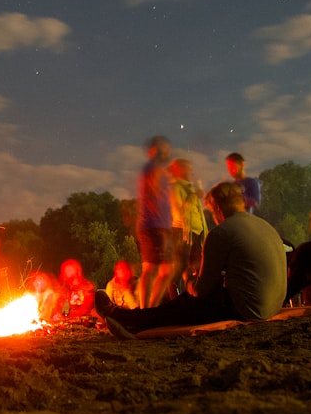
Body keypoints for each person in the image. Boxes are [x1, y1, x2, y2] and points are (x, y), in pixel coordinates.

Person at [95, 182, 287, 337]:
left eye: (211, 211)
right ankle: (134, 321)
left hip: (247, 309)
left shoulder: (222, 232)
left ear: (218, 208)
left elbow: (201, 290)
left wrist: (187, 277)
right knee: (187, 299)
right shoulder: (265, 226)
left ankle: (122, 316)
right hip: (273, 305)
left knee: (183, 305)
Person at [136, 135, 174, 308]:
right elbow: (155, 196)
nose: (167, 150)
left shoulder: (156, 169)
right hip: (154, 226)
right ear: (153, 150)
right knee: (151, 269)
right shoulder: (153, 168)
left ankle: (151, 308)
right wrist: (162, 229)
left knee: (166, 270)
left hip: (159, 226)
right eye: (163, 147)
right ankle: (146, 310)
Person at [169, 158, 208, 293]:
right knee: (180, 267)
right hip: (182, 232)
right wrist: (194, 195)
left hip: (197, 232)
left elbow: (196, 211)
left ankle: (190, 296)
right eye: (188, 169)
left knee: (195, 268)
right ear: (180, 169)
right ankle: (170, 296)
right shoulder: (175, 187)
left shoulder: (190, 187)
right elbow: (180, 210)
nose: (191, 172)